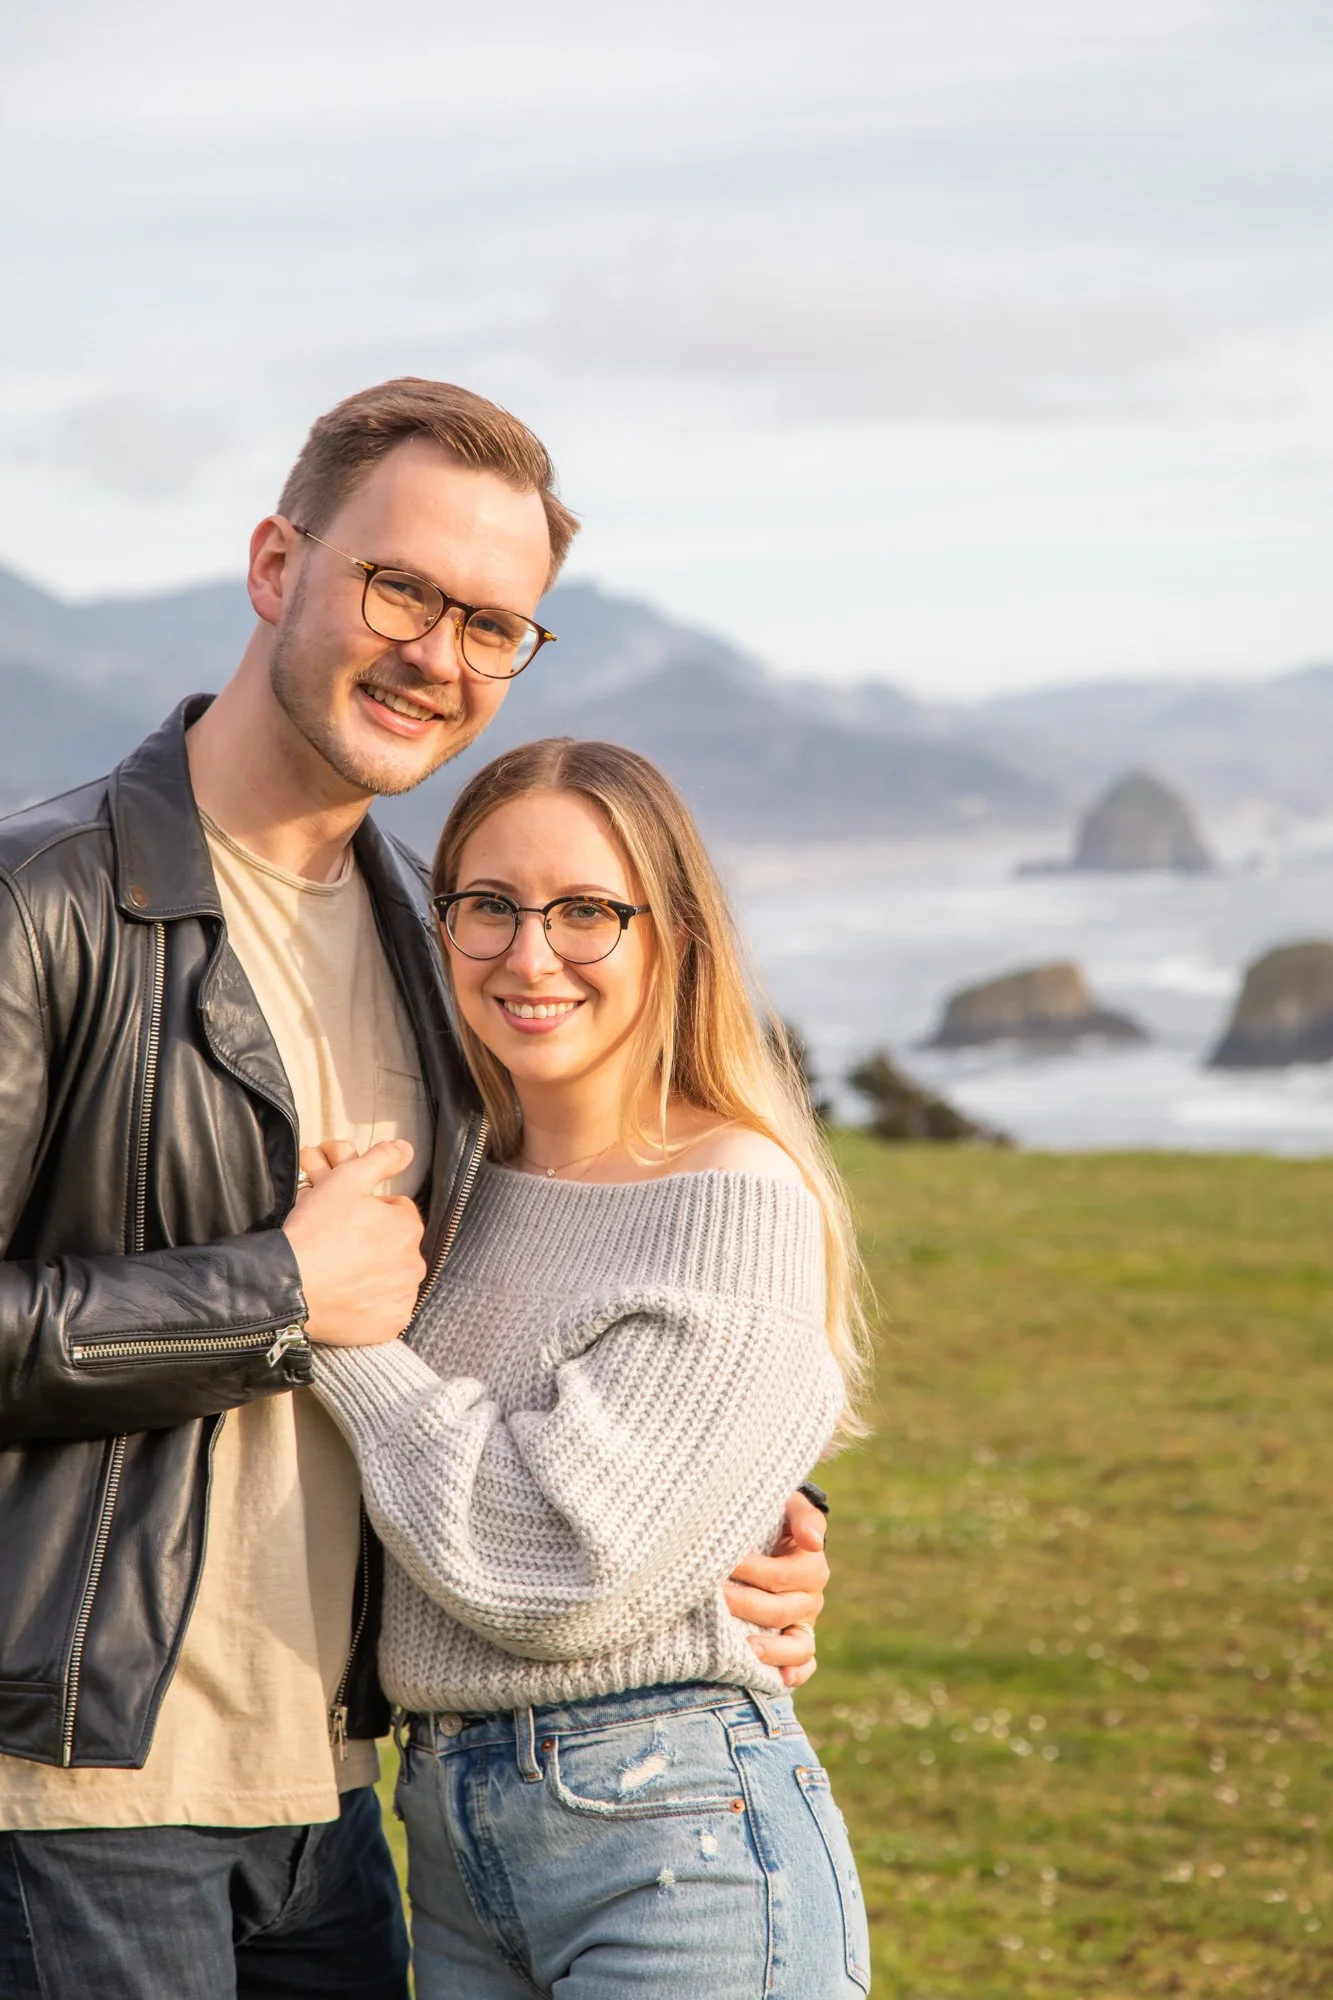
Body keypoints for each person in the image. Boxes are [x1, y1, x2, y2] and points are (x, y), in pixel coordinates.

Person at [0, 379, 830, 2000]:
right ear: (274, 566)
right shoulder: (48, 901)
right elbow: (333, 1304)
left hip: (342, 1809)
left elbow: (521, 1306)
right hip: (80, 1794)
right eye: (399, 589)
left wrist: (748, 1513)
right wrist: (272, 1299)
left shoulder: (432, 943)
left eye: (494, 625)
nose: (437, 655)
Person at [302, 736, 873, 1997]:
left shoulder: (732, 1193)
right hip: (447, 1839)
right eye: (488, 906)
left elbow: (553, 1567)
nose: (528, 953)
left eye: (585, 911)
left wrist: (337, 1329)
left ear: (671, 934)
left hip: (676, 1846)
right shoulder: (455, 1188)